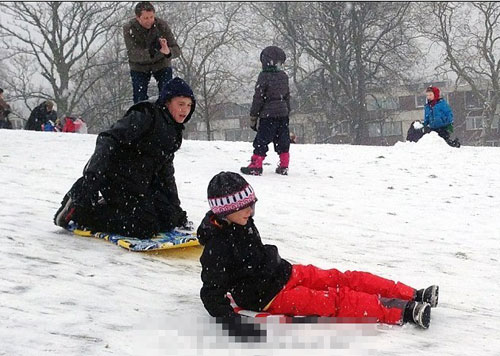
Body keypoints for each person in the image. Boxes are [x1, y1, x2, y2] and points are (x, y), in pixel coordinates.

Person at [198, 172, 439, 329]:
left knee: (342, 278)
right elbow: (211, 291)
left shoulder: (241, 221)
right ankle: (404, 312)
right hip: (269, 297)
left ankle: (413, 293)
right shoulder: (216, 249)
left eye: (252, 205)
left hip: (285, 272)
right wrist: (231, 321)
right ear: (224, 211)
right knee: (335, 300)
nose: (251, 211)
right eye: (244, 208)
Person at [54, 77, 196, 238]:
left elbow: (165, 172)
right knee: (145, 226)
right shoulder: (146, 115)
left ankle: (111, 207)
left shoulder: (173, 131)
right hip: (116, 178)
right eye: (181, 104)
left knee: (169, 219)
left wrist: (175, 208)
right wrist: (92, 176)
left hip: (140, 182)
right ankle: (82, 213)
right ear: (167, 102)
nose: (185, 110)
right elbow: (108, 139)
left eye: (189, 105)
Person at [240, 46, 291, 176]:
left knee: (261, 140)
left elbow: (258, 98)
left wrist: (254, 116)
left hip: (268, 115)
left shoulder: (264, 76)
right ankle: (284, 165)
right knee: (283, 140)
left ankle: (256, 165)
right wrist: (287, 111)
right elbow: (287, 96)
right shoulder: (283, 76)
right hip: (283, 114)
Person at [123, 1, 181, 104]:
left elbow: (177, 49)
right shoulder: (129, 28)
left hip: (161, 63)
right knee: (139, 98)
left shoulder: (161, 25)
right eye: (146, 18)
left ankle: (165, 116)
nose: (149, 21)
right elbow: (132, 54)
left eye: (151, 17)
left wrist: (168, 52)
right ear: (137, 17)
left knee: (167, 94)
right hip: (139, 66)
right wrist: (150, 52)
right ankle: (141, 117)